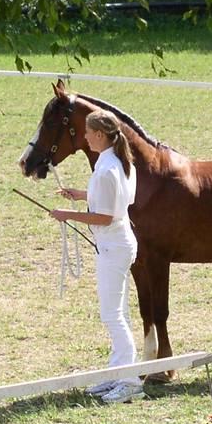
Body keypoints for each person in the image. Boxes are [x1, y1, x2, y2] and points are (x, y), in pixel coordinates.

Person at [50, 109, 142, 404]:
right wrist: (80, 194)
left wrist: (68, 215)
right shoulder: (117, 162)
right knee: (120, 313)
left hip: (113, 246)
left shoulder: (106, 169)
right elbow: (117, 200)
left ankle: (129, 381)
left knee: (112, 315)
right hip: (119, 244)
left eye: (88, 133)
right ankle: (118, 371)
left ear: (100, 135)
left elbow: (106, 216)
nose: (85, 137)